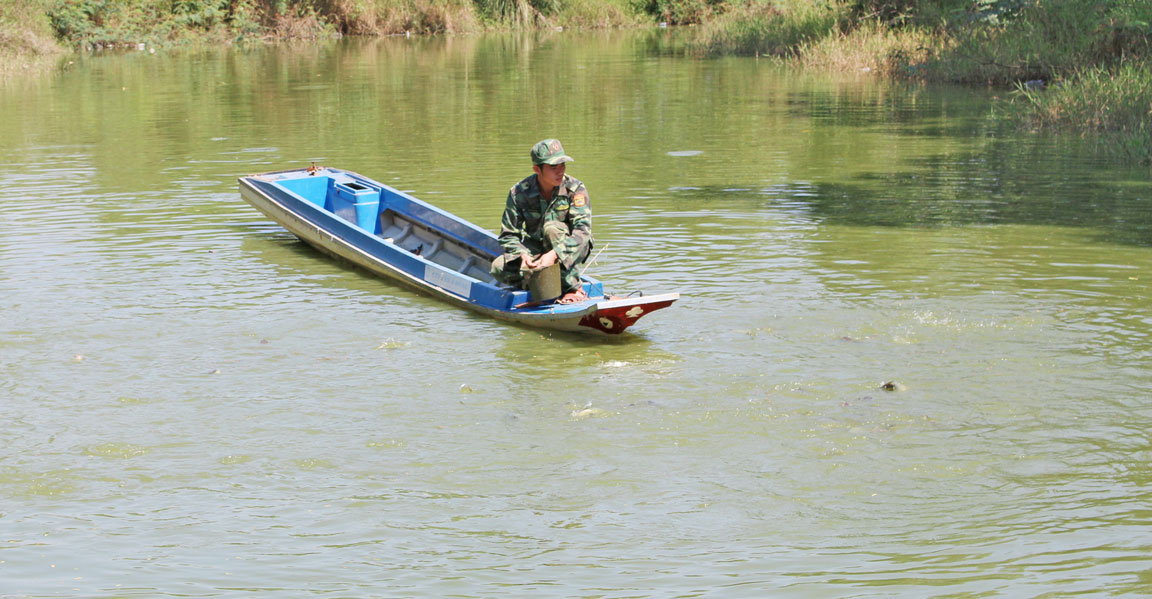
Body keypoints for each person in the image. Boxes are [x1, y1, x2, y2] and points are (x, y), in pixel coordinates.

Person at [490, 139, 593, 303]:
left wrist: (554, 254)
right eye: (553, 167)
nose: (560, 171)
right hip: (536, 249)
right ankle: (537, 283)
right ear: (537, 169)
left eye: (563, 165)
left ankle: (573, 289)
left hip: (571, 247)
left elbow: (582, 232)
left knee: (552, 229)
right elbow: (508, 235)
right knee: (498, 267)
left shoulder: (575, 189)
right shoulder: (519, 192)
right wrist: (522, 255)